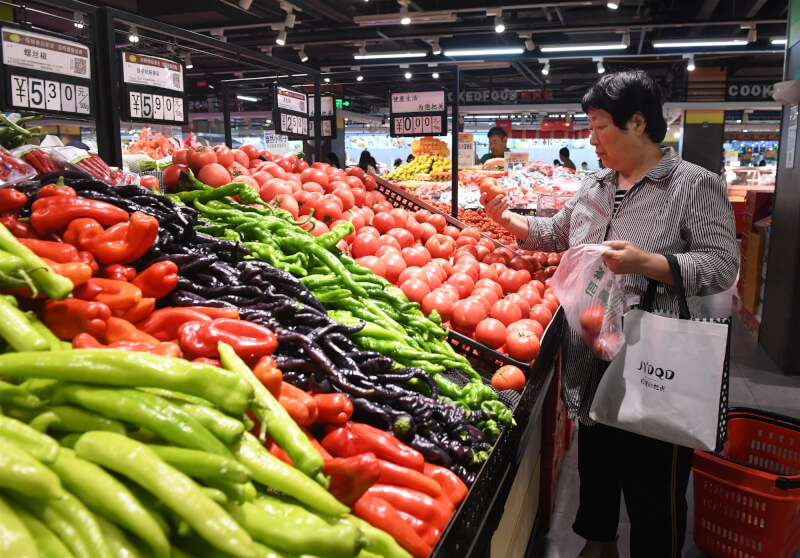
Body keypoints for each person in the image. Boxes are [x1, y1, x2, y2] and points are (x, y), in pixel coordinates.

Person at [482, 70, 738, 558]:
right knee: (597, 462)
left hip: (654, 356)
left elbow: (722, 266)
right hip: (592, 349)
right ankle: (597, 545)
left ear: (638, 123)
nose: (591, 138)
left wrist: (649, 264)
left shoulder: (693, 185)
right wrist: (506, 219)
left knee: (651, 481)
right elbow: (557, 232)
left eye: (600, 126)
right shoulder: (594, 184)